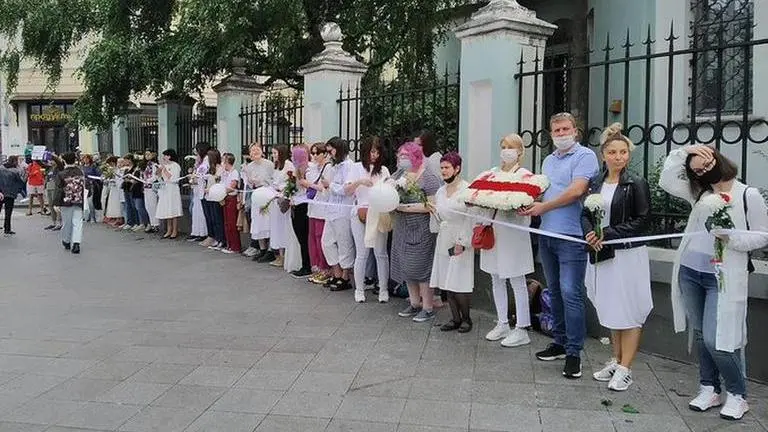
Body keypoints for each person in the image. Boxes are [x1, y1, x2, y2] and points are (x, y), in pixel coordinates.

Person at [660, 144, 768, 420]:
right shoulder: (700, 193)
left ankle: (737, 393)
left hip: (721, 276)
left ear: (718, 158)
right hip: (690, 271)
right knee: (700, 333)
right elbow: (667, 179)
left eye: (706, 165)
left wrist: (730, 238)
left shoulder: (747, 195)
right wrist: (686, 151)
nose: (703, 172)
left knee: (717, 337)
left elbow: (763, 235)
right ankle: (709, 386)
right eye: (697, 171)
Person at [521, 112, 599, 379]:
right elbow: (544, 191)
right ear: (551, 134)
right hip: (548, 235)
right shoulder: (549, 160)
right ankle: (560, 341)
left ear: (575, 131)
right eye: (557, 131)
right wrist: (527, 201)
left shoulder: (585, 156)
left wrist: (544, 206)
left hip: (572, 237)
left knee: (570, 293)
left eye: (566, 129)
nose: (562, 134)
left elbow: (577, 191)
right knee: (554, 291)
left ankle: (575, 352)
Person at [582, 123, 652, 391]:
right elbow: (584, 214)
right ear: (604, 155)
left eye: (623, 152)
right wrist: (590, 232)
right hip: (602, 253)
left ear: (628, 155)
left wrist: (607, 233)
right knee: (611, 307)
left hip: (627, 256)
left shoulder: (636, 183)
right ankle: (616, 359)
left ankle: (626, 368)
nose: (619, 157)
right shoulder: (595, 183)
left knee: (630, 309)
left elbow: (643, 221)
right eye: (613, 152)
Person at [478, 134, 537, 348]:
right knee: (496, 277)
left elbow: (527, 203)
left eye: (510, 147)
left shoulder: (525, 175)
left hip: (514, 234)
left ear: (520, 151)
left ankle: (522, 328)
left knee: (517, 280)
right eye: (503, 146)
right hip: (493, 231)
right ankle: (502, 321)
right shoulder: (492, 173)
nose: (506, 150)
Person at [391, 141, 442, 322]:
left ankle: (427, 306)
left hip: (421, 229)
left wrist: (406, 207)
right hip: (402, 228)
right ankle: (414, 303)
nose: (402, 158)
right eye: (400, 155)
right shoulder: (399, 175)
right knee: (406, 266)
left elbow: (432, 205)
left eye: (406, 155)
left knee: (422, 267)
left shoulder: (429, 178)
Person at [429, 152, 474, 332]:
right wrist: (433, 211)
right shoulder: (440, 191)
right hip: (444, 236)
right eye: (442, 168)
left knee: (459, 281)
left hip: (459, 238)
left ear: (457, 168)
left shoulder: (466, 189)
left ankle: (466, 319)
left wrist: (462, 241)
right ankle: (454, 318)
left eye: (447, 167)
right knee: (447, 280)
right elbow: (440, 216)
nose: (444, 171)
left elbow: (470, 217)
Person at [348, 136, 391, 303]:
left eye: (378, 152)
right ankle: (359, 290)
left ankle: (383, 289)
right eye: (372, 151)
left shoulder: (384, 170)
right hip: (360, 211)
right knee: (362, 253)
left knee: (381, 253)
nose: (375, 155)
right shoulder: (357, 167)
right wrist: (359, 182)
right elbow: (347, 190)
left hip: (379, 212)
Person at [322, 137, 356, 291]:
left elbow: (347, 189)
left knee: (344, 243)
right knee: (326, 242)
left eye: (331, 151)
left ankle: (345, 276)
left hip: (343, 210)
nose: (329, 155)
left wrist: (331, 185)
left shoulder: (350, 166)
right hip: (331, 209)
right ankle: (336, 273)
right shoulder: (333, 167)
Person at [243, 143, 275, 262]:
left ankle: (271, 249)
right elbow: (249, 184)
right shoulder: (249, 166)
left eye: (257, 150)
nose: (255, 152)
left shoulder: (269, 164)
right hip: (256, 194)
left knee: (268, 222)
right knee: (257, 222)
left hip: (267, 194)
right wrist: (251, 180)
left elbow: (273, 179)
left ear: (262, 151)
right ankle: (262, 249)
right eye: (252, 150)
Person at [305, 143, 332, 285]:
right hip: (313, 207)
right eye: (313, 153)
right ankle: (316, 267)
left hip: (323, 208)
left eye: (317, 153)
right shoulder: (314, 168)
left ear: (324, 154)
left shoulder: (328, 168)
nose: (314, 156)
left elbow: (324, 188)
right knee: (313, 238)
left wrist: (308, 184)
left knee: (320, 237)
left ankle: (325, 269)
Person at [265, 145, 294, 267]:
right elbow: (273, 180)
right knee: (276, 228)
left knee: (283, 228)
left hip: (283, 199)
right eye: (273, 153)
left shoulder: (288, 165)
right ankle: (279, 254)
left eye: (275, 153)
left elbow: (290, 183)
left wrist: (280, 188)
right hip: (274, 197)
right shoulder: (276, 166)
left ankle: (285, 255)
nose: (274, 155)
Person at [54, 152, 86, 254]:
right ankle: (76, 243)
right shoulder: (80, 172)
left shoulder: (61, 174)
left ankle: (66, 241)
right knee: (77, 222)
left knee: (67, 222)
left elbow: (59, 189)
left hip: (66, 201)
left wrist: (56, 203)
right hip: (79, 200)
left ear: (64, 161)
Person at [290, 145, 313, 277]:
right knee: (300, 237)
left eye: (294, 156)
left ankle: (307, 265)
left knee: (304, 236)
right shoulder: (297, 170)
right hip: (296, 204)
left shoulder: (308, 169)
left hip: (304, 205)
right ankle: (305, 264)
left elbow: (308, 190)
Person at [155, 149, 183, 239]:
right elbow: (160, 178)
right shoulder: (163, 166)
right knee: (167, 209)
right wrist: (159, 172)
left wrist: (164, 170)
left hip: (172, 189)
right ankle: (168, 229)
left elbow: (173, 178)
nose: (163, 157)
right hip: (165, 189)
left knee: (173, 209)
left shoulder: (175, 166)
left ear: (169, 156)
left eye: (165, 155)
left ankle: (175, 230)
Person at [202, 149, 225, 250]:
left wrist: (210, 189)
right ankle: (213, 236)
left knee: (217, 219)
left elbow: (218, 181)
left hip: (215, 196)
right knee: (211, 218)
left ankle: (220, 239)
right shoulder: (208, 168)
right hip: (208, 196)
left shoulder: (220, 168)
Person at [220, 152, 241, 254]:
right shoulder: (224, 172)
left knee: (232, 223)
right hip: (224, 197)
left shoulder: (234, 172)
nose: (222, 162)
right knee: (227, 223)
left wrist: (222, 191)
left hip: (231, 198)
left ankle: (235, 246)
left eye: (223, 160)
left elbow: (232, 186)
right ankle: (229, 245)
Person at [189, 142, 211, 242]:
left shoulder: (206, 161)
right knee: (195, 211)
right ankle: (196, 232)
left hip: (202, 190)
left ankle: (203, 233)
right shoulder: (200, 161)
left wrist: (194, 176)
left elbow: (201, 174)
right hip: (197, 189)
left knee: (201, 212)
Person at [0, 159, 26, 236]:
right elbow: (20, 182)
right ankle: (7, 229)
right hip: (10, 193)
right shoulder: (15, 171)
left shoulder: (1, 169)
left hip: (1, 192)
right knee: (8, 212)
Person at [43, 154, 64, 231]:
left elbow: (59, 162)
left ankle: (60, 223)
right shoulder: (49, 168)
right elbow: (41, 164)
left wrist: (53, 156)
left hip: (56, 186)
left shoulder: (59, 167)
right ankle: (54, 222)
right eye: (50, 160)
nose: (51, 161)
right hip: (49, 186)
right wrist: (36, 157)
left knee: (56, 205)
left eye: (52, 160)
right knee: (51, 205)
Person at [142, 151, 160, 233]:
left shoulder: (155, 165)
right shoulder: (146, 165)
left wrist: (148, 180)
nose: (147, 156)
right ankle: (152, 223)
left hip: (152, 187)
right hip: (146, 187)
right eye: (146, 154)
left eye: (148, 154)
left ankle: (156, 224)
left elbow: (155, 176)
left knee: (153, 206)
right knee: (148, 206)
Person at [120, 154, 140, 231]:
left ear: (130, 160)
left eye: (126, 160)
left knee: (133, 206)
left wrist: (129, 180)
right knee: (128, 206)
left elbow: (135, 178)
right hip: (126, 188)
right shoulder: (126, 169)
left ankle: (136, 222)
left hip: (131, 188)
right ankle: (129, 222)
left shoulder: (135, 168)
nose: (125, 162)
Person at [103, 156, 123, 227]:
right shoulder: (114, 169)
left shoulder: (120, 170)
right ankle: (114, 217)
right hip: (113, 187)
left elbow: (119, 177)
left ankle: (119, 218)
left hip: (118, 188)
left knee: (117, 203)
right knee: (112, 202)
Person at [81, 154, 102, 223]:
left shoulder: (93, 166)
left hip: (91, 184)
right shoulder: (82, 167)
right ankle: (87, 216)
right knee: (85, 202)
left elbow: (98, 175)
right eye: (84, 159)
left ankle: (93, 217)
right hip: (84, 185)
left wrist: (91, 177)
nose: (85, 160)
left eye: (87, 158)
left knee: (91, 201)